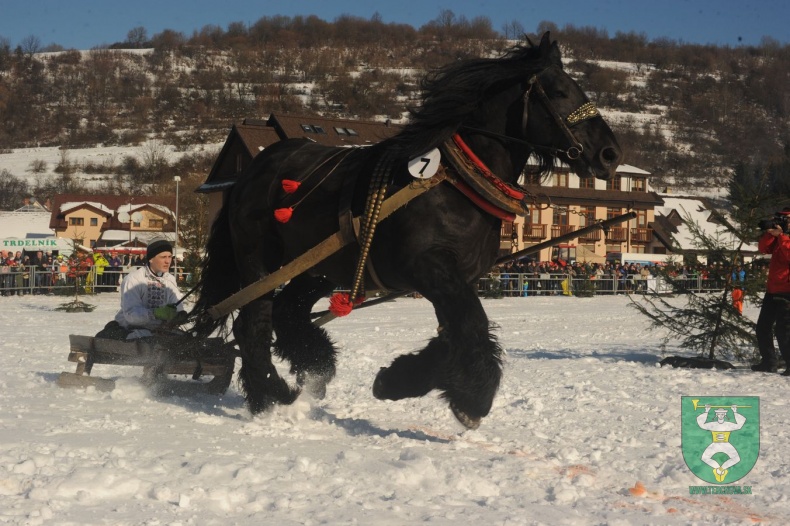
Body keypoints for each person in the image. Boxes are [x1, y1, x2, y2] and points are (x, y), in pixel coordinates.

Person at [97, 239, 185, 341]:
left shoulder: (170, 280)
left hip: (161, 330)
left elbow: (177, 305)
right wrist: (155, 313)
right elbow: (131, 315)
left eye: (170, 257)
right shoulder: (134, 279)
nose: (168, 261)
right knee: (149, 340)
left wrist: (179, 315)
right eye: (163, 257)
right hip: (130, 329)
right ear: (151, 259)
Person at [752, 208, 790, 374]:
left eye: (784, 220)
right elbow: (763, 248)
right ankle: (769, 362)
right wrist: (770, 233)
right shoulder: (778, 238)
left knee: (784, 330)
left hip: (787, 291)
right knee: (763, 327)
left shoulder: (784, 239)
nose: (779, 222)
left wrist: (782, 236)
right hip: (773, 288)